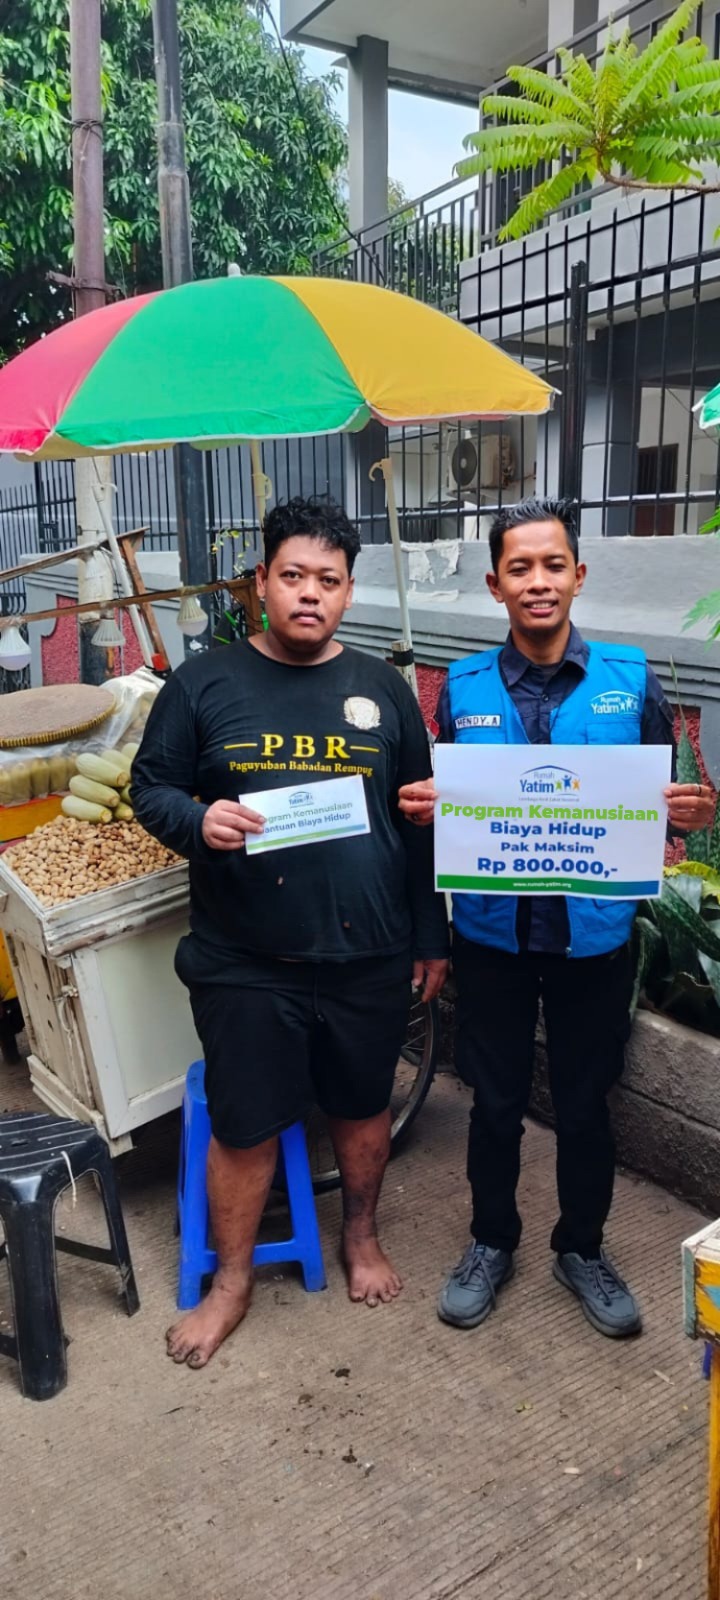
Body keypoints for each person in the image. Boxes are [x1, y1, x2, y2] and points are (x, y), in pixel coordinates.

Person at [132, 495, 449, 1368]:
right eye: (294, 576)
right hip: (244, 957)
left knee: (362, 1106)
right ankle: (231, 1282)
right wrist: (199, 820)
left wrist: (431, 938)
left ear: (348, 591)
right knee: (245, 1125)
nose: (311, 594)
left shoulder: (383, 690)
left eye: (329, 580)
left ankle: (362, 1237)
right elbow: (150, 787)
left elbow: (420, 822)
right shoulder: (202, 684)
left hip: (367, 951)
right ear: (262, 582)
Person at [399, 497, 715, 1339]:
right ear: (495, 584)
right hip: (492, 938)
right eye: (519, 567)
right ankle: (490, 1242)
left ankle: (582, 1248)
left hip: (595, 940)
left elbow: (664, 806)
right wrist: (431, 806)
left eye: (551, 565)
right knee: (495, 1104)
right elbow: (451, 801)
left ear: (578, 574)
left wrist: (690, 815)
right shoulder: (463, 689)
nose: (537, 581)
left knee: (584, 1106)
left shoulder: (631, 681)